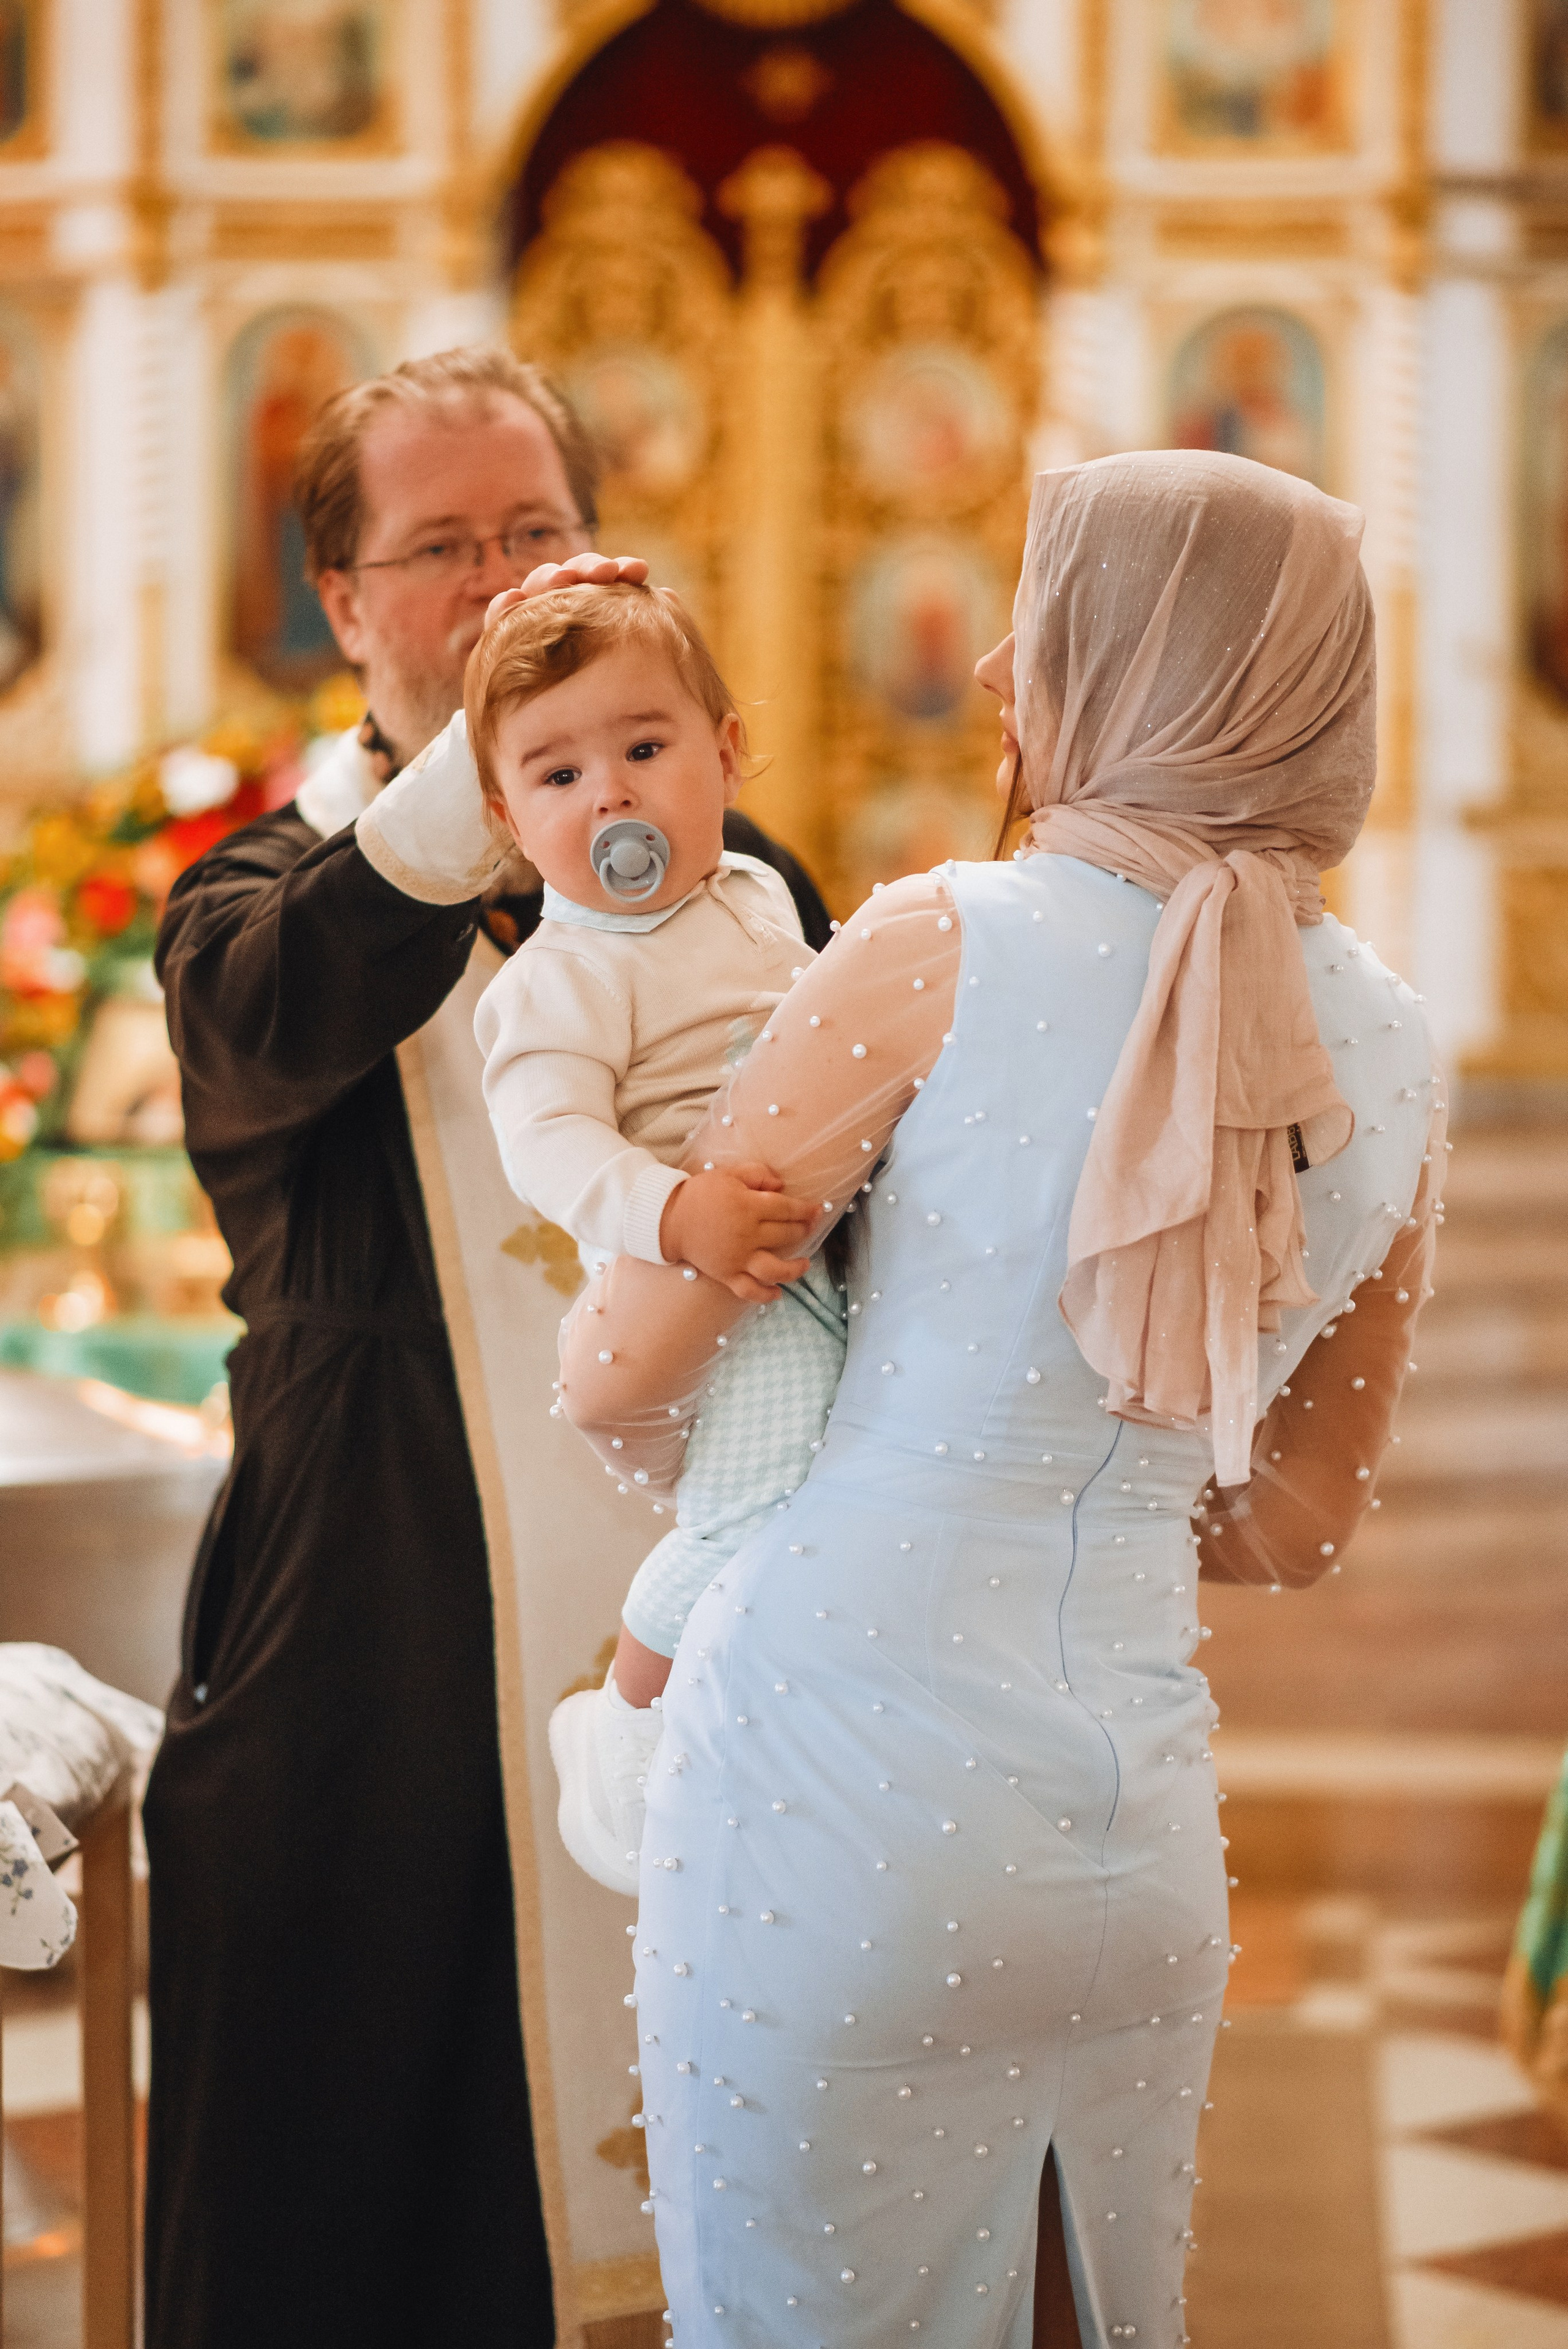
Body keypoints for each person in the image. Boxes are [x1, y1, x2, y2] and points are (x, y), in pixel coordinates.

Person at [556, 448, 1447, 2345]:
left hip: (830, 1785)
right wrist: (1090, 1476)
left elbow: (624, 1366)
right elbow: (1290, 1523)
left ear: (1138, 668)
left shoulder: (939, 938)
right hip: (1136, 1839)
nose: (991, 680)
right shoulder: (1392, 1040)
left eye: (1041, 633)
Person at [147, 346, 829, 2349]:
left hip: (711, 1639)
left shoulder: (736, 881)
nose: (507, 586)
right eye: (442, 551)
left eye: (539, 532)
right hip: (376, 1655)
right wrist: (478, 782)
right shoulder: (262, 899)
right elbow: (273, 1020)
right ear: (346, 607)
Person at [457, 581, 844, 1891]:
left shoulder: (751, 893)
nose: (609, 797)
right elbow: (551, 1151)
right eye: (558, 773)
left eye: (642, 748)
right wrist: (678, 1214)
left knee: (844, 1500)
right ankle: (619, 1725)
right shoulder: (557, 979)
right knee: (757, 1514)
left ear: (726, 755)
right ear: (511, 821)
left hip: (810, 1255)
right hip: (703, 1295)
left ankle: (769, 1740)